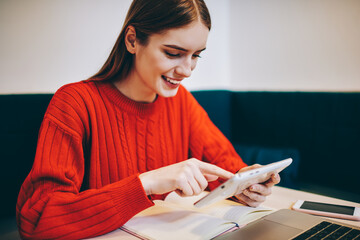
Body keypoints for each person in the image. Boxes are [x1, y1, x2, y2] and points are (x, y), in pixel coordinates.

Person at [16, 0, 280, 239]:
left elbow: (225, 167)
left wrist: (245, 182)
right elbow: (37, 220)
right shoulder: (75, 102)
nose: (187, 70)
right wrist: (146, 183)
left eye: (196, 55)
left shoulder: (181, 102)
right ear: (132, 40)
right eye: (173, 53)